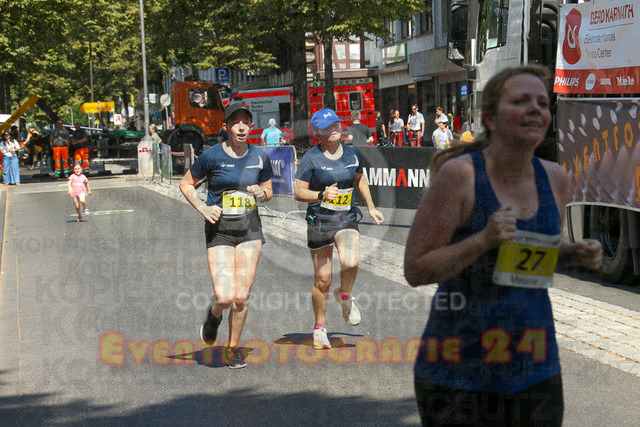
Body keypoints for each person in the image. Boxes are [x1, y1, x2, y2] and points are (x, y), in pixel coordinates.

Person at [404, 65, 603, 426]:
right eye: (520, 101)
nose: (535, 109)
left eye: (542, 102)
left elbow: (531, 259)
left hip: (535, 368)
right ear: (490, 119)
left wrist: (574, 254)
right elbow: (416, 269)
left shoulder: (555, 178)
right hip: (458, 373)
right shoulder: (460, 176)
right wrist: (482, 240)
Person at [179, 103, 273, 369]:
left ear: (251, 127)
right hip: (220, 230)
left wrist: (262, 194)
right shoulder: (211, 156)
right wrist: (203, 207)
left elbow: (269, 191)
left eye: (245, 122)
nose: (241, 127)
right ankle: (214, 314)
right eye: (235, 122)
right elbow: (186, 184)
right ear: (226, 127)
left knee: (241, 298)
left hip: (250, 230)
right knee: (224, 297)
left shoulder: (260, 157)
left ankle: (232, 349)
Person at [294, 108, 385, 350]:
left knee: (351, 263)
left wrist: (371, 206)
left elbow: (359, 179)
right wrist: (321, 194)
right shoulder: (311, 158)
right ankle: (320, 328)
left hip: (346, 218)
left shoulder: (353, 154)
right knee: (323, 280)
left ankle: (344, 297)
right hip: (320, 221)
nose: (334, 129)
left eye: (336, 124)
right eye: (327, 127)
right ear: (318, 132)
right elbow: (298, 192)